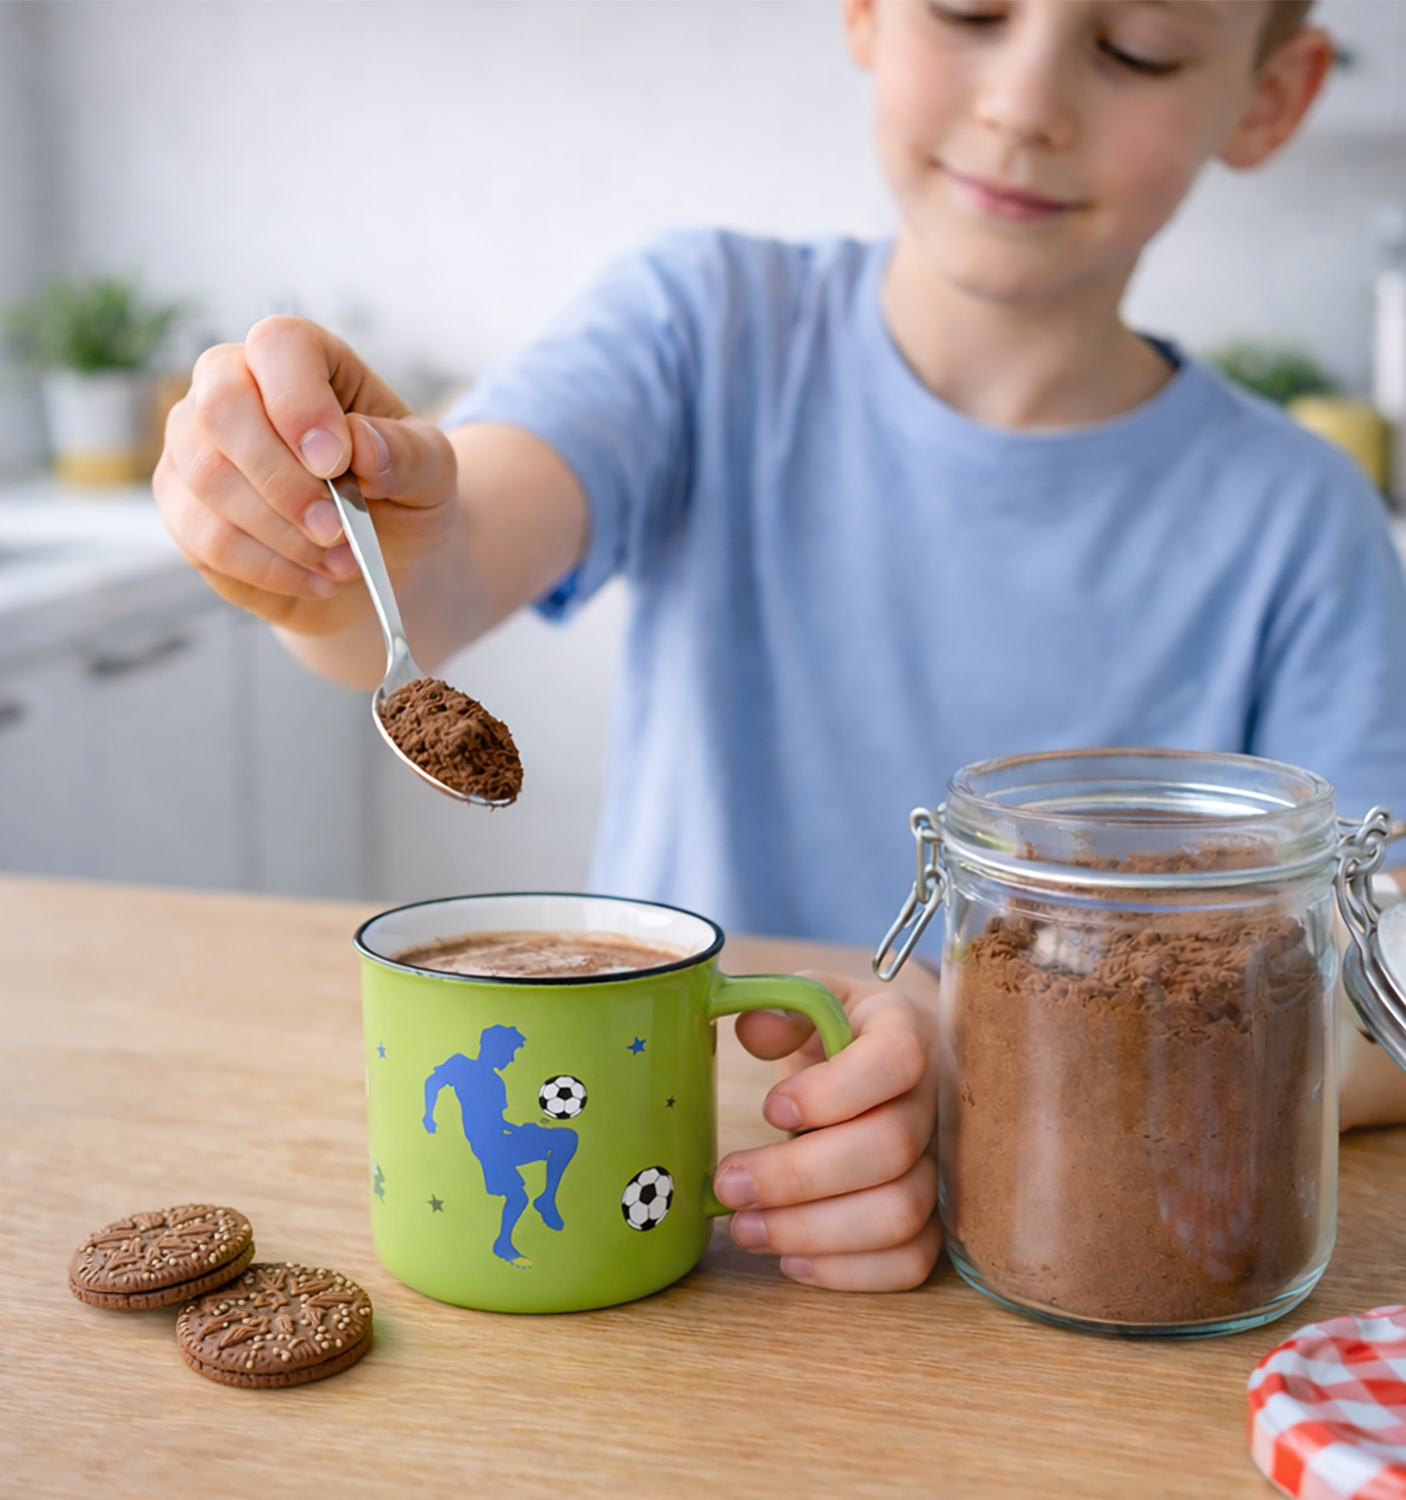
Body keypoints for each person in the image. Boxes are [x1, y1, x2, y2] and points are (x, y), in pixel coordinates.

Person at [156, 0, 1406, 1293]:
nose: (1027, 103)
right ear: (864, 12)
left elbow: (1384, 989)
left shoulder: (1305, 520)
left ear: (1270, 97)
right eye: (971, 10)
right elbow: (439, 564)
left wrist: (990, 1067)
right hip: (645, 1232)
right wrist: (314, 537)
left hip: (1067, 1264)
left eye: (1137, 46)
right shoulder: (702, 327)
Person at [423, 1024, 579, 1265]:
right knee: (517, 1197)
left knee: (566, 1139)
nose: (512, 1057)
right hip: (490, 1148)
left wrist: (522, 1129)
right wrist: (428, 1115)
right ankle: (503, 1244)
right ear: (494, 1048)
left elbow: (495, 1121)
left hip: (504, 1139)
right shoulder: (462, 1065)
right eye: (510, 1051)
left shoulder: (496, 1083)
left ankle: (547, 1198)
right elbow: (432, 1082)